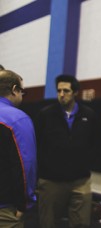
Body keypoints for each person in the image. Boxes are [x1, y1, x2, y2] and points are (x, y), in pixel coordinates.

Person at [36, 75, 101, 228]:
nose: (61, 94)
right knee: (47, 223)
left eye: (66, 91)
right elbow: (38, 145)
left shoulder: (88, 115)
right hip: (51, 181)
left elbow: (97, 142)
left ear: (75, 92)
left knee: (81, 223)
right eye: (59, 90)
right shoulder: (46, 115)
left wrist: (90, 164)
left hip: (80, 180)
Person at [0, 70, 37, 228]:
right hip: (5, 208)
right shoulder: (17, 119)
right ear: (14, 89)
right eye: (22, 91)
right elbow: (25, 165)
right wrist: (25, 203)